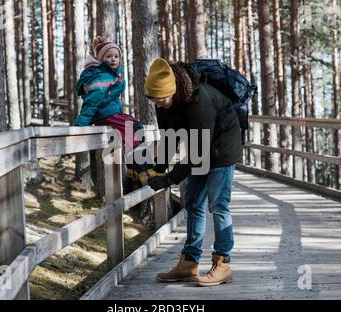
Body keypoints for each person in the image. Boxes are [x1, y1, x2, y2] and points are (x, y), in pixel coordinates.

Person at [144, 58, 243, 287]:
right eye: (154, 101)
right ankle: (189, 262)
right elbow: (169, 137)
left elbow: (199, 153)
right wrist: (158, 168)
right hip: (202, 146)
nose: (158, 105)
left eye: (161, 100)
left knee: (217, 204)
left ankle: (223, 262)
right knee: (193, 202)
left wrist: (168, 179)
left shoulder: (200, 102)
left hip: (222, 147)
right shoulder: (165, 103)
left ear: (174, 91)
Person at [74, 36, 152, 184]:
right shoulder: (102, 76)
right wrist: (81, 123)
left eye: (116, 56)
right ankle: (141, 168)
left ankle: (133, 167)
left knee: (135, 125)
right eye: (108, 56)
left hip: (110, 113)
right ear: (101, 59)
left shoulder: (110, 75)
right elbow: (92, 101)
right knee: (132, 128)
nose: (113, 59)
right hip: (105, 115)